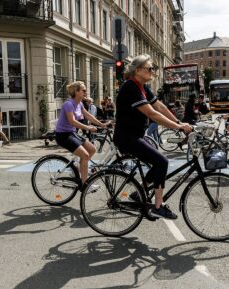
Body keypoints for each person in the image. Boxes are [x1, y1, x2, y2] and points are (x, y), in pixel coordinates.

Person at [113, 54, 191, 220]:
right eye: (150, 68)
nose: (152, 71)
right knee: (162, 161)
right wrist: (178, 127)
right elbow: (151, 113)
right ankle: (158, 206)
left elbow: (159, 106)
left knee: (157, 163)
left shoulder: (142, 87)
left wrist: (179, 122)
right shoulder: (130, 87)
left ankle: (139, 192)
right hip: (127, 137)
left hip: (136, 135)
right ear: (138, 70)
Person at [55, 81, 108, 188]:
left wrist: (102, 124)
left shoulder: (79, 104)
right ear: (76, 91)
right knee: (85, 155)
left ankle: (78, 168)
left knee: (92, 149)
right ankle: (85, 185)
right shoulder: (68, 104)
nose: (86, 92)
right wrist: (88, 128)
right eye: (83, 90)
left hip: (72, 133)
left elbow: (88, 116)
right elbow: (72, 122)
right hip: (63, 135)